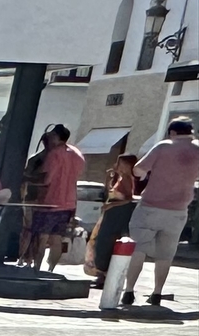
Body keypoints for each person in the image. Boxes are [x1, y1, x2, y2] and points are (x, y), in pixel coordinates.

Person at [123, 115, 199, 306]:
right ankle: (157, 293)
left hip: (151, 206)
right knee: (166, 253)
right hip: (179, 209)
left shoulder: (164, 146)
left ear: (172, 132)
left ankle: (129, 291)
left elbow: (138, 170)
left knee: (138, 249)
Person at [21, 123, 83, 271]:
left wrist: (26, 178)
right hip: (68, 203)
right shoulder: (77, 154)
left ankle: (36, 268)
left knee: (41, 237)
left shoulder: (54, 154)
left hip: (48, 202)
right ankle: (51, 270)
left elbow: (46, 180)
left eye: (52, 136)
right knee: (57, 239)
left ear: (56, 137)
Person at [84, 136, 140, 276]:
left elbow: (128, 199)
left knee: (105, 242)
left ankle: (103, 272)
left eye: (120, 163)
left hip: (117, 214)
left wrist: (111, 206)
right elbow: (112, 192)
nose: (117, 165)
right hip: (110, 213)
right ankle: (100, 271)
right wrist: (109, 179)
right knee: (99, 241)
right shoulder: (120, 178)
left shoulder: (127, 179)